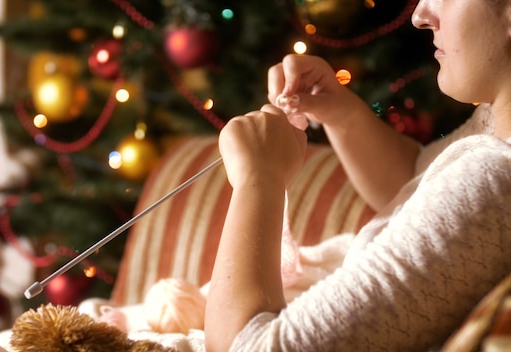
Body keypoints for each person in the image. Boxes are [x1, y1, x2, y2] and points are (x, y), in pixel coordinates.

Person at [205, 0, 511, 350]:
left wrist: (258, 179)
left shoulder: (496, 178)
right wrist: (341, 112)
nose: (420, 16)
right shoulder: (494, 129)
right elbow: (417, 185)